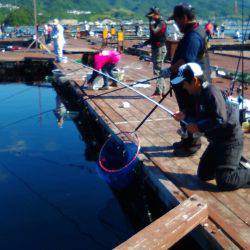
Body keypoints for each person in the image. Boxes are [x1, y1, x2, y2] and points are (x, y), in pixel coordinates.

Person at [172, 62, 250, 191]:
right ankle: (234, 163)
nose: (184, 86)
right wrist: (184, 114)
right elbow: (195, 110)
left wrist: (198, 127)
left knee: (225, 181)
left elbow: (221, 119)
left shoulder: (211, 92)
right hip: (216, 141)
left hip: (230, 140)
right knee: (204, 175)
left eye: (185, 83)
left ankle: (238, 167)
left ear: (195, 80)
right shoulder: (197, 93)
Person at [161, 4, 211, 157]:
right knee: (185, 110)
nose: (176, 25)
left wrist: (170, 70)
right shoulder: (194, 30)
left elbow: (186, 61)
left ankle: (192, 145)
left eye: (177, 21)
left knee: (189, 112)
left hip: (192, 83)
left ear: (184, 18)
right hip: (185, 81)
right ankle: (186, 140)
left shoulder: (193, 36)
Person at [137, 7, 167, 97]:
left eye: (152, 15)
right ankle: (163, 90)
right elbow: (153, 37)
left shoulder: (161, 23)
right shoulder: (156, 22)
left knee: (157, 70)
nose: (151, 17)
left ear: (156, 14)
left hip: (160, 49)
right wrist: (143, 44)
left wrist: (150, 22)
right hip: (156, 48)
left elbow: (155, 31)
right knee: (158, 70)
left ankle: (159, 91)